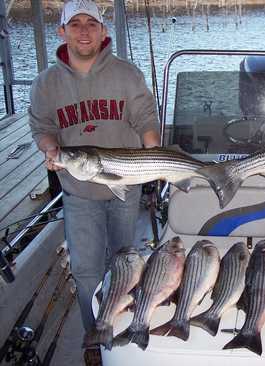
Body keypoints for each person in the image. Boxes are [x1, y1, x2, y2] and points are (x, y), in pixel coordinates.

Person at [28, 0, 160, 347]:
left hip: (125, 187)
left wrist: (155, 155)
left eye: (91, 23)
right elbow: (42, 126)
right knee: (87, 271)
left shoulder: (126, 73)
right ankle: (95, 334)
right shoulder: (45, 84)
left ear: (103, 31)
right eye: (75, 24)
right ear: (62, 31)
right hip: (78, 192)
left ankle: (127, 326)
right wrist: (50, 149)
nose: (83, 31)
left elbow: (146, 117)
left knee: (124, 261)